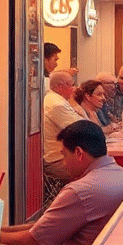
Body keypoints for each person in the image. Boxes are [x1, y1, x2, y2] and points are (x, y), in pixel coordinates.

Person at [0, 120, 123, 245]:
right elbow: (45, 225)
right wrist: (0, 230)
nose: (63, 164)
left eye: (64, 155)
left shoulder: (79, 191)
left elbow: (33, 242)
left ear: (79, 153)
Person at [43, 69, 81, 199]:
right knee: (93, 171)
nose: (74, 88)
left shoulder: (57, 100)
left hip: (62, 155)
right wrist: (76, 104)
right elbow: (83, 129)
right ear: (59, 86)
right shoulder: (56, 104)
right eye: (71, 84)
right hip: (56, 160)